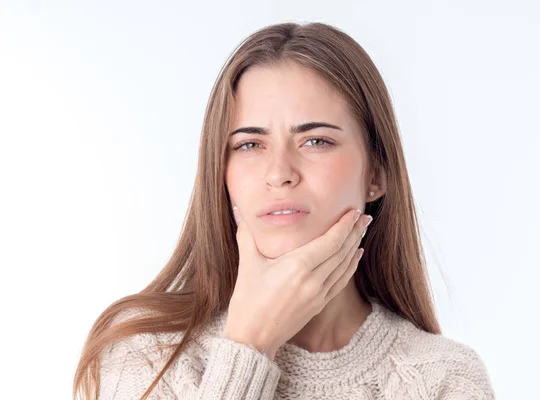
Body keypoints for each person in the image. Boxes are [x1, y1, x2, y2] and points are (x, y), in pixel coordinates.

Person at [73, 21, 495, 400]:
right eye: (249, 145)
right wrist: (249, 345)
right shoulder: (145, 355)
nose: (279, 173)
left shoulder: (444, 379)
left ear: (376, 174)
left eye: (316, 141)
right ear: (221, 173)